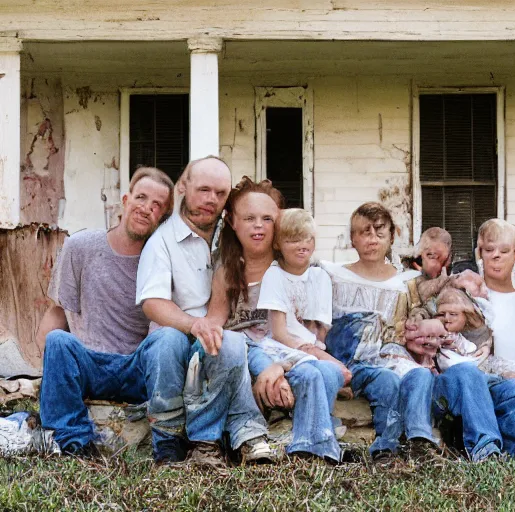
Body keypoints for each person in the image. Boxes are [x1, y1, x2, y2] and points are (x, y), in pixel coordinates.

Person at [37, 168, 189, 462]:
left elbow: (163, 326)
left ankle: (168, 445)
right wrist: (45, 365)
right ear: (125, 200)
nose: (146, 208)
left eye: (157, 205)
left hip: (136, 367)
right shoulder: (80, 246)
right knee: (57, 340)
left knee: (169, 337)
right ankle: (74, 444)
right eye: (141, 198)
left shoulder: (163, 260)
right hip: (90, 362)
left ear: (163, 216)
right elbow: (58, 311)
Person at [136, 156, 275, 466]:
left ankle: (209, 444)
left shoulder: (231, 234)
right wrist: (195, 324)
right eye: (203, 190)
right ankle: (190, 443)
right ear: (183, 187)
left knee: (232, 342)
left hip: (224, 335)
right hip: (176, 341)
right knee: (197, 341)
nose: (211, 200)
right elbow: (152, 303)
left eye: (221, 193)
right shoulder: (162, 242)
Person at [205, 177, 349, 462]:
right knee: (301, 373)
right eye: (249, 218)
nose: (258, 225)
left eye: (267, 219)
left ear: (279, 225)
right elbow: (216, 321)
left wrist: (283, 366)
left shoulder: (296, 269)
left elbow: (311, 333)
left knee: (328, 373)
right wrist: (267, 367)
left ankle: (305, 434)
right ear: (233, 223)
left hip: (292, 351)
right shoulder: (228, 269)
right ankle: (297, 436)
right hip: (249, 353)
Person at [433, 219, 515, 462]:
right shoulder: (463, 296)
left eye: (504, 251)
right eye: (489, 250)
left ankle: (506, 452)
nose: (496, 256)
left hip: (505, 392)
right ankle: (484, 449)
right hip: (464, 385)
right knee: (468, 373)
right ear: (479, 253)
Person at [321, 202, 437, 460]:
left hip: (392, 355)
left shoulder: (406, 281)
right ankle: (386, 445)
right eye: (364, 232)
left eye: (379, 232)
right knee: (387, 381)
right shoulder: (335, 276)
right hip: (353, 359)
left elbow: (418, 314)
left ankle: (419, 441)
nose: (372, 239)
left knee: (420, 376)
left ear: (391, 237)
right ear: (352, 238)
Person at [257, 208, 346, 371]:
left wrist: (318, 353)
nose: (303, 246)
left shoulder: (320, 277)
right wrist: (312, 354)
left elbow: (320, 331)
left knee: (338, 372)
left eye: (308, 239)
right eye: (294, 240)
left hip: (313, 350)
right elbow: (279, 333)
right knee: (326, 371)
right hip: (281, 348)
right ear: (277, 244)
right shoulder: (274, 275)